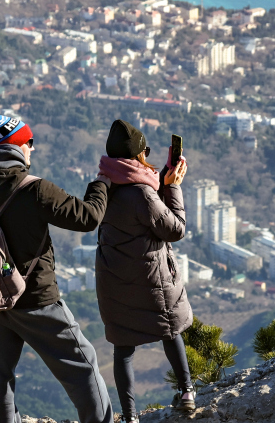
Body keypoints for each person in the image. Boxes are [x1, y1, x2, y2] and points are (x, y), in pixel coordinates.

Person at [0, 111, 115, 423]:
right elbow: (88, 218)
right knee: (83, 367)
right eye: (29, 142)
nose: (32, 148)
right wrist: (102, 183)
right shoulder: (35, 189)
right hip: (37, 301)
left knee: (0, 380)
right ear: (16, 146)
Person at [95, 120, 194, 423]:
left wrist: (163, 182)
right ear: (137, 156)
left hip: (114, 280)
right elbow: (174, 229)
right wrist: (173, 187)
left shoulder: (103, 185)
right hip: (151, 279)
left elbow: (145, 214)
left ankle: (130, 416)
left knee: (123, 349)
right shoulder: (142, 193)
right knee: (169, 329)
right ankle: (187, 391)